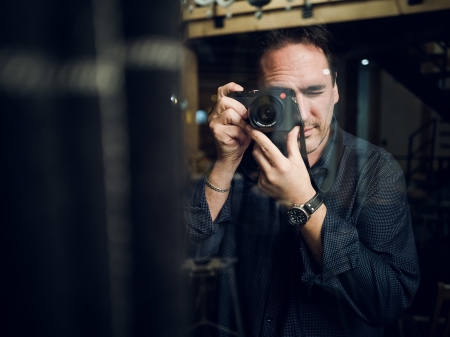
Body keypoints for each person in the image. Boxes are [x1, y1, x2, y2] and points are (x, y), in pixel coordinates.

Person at [184, 26, 419, 337]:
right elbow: (182, 262)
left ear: (335, 89)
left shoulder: (375, 170)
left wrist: (304, 202)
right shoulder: (238, 160)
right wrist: (225, 162)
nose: (300, 114)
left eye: (313, 91)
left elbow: (388, 301)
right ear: (256, 97)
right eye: (281, 95)